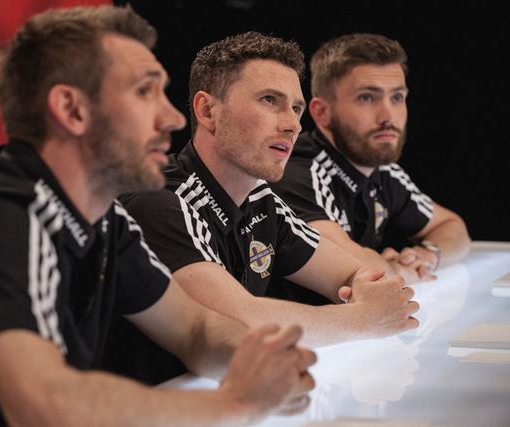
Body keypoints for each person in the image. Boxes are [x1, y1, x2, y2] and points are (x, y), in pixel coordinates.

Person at [0, 6, 317, 426]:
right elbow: (42, 405)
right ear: (73, 110)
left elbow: (196, 330)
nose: (173, 118)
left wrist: (268, 363)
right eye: (144, 91)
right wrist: (234, 403)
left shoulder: (103, 218)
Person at [107, 31, 419, 383]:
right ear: (207, 111)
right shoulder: (157, 199)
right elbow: (238, 320)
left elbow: (356, 272)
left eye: (296, 108)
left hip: (220, 396)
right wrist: (363, 319)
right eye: (270, 100)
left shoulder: (261, 200)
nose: (292, 125)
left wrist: (365, 287)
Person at [269, 33, 471, 304]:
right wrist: (398, 270)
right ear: (321, 113)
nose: (388, 116)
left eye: (397, 97)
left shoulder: (383, 171)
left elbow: (454, 228)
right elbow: (353, 267)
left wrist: (427, 255)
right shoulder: (297, 172)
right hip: (295, 329)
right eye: (367, 98)